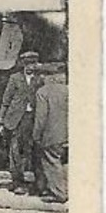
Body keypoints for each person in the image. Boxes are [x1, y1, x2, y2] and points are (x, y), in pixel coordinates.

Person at [0, 50, 40, 193]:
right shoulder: (15, 78)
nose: (30, 67)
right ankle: (17, 181)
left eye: (32, 63)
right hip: (16, 119)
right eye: (27, 64)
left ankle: (35, 182)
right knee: (15, 150)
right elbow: (6, 100)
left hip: (33, 118)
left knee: (32, 149)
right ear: (22, 64)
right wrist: (1, 121)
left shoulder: (40, 79)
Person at [32, 60, 68, 204]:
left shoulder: (43, 92)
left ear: (49, 76)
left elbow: (41, 117)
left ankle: (59, 193)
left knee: (51, 161)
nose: (41, 78)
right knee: (63, 161)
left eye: (43, 75)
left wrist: (36, 135)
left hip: (51, 134)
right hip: (67, 133)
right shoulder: (68, 90)